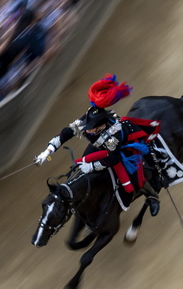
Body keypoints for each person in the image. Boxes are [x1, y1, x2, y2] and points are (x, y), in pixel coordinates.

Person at [34, 74, 162, 215]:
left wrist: (91, 166)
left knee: (134, 180)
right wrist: (47, 152)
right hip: (102, 145)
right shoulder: (88, 121)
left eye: (90, 127)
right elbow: (66, 133)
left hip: (122, 149)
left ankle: (151, 196)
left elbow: (113, 159)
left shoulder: (114, 136)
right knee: (82, 160)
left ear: (100, 127)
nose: (86, 129)